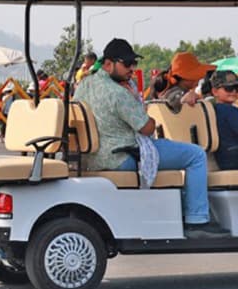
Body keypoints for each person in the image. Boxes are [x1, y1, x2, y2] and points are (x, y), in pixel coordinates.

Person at [73, 38, 226, 238]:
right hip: (122, 157)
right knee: (195, 155)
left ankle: (184, 208)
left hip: (94, 157)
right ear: (108, 64)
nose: (131, 68)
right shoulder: (118, 93)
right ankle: (197, 220)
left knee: (172, 149)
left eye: (133, 63)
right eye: (127, 64)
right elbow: (147, 127)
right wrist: (142, 108)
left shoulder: (84, 85)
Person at [209, 71, 238, 170]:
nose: (234, 91)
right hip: (233, 158)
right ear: (215, 92)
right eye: (228, 88)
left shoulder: (213, 109)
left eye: (236, 88)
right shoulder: (229, 111)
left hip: (224, 158)